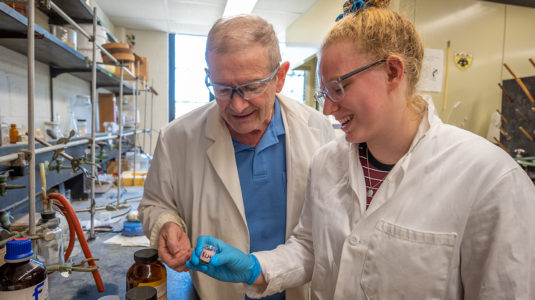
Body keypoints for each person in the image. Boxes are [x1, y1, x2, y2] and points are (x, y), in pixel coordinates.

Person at [187, 0, 535, 299]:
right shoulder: (327, 161)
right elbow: (310, 248)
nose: (326, 110)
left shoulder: (491, 181)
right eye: (324, 93)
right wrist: (254, 268)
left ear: (393, 71)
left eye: (338, 87)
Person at [138, 14, 335, 299]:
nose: (237, 104)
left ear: (280, 77)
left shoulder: (318, 131)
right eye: (222, 88)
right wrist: (166, 225)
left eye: (252, 87)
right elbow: (155, 204)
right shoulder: (176, 138)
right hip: (217, 291)